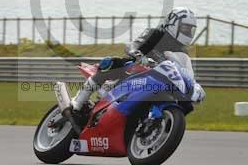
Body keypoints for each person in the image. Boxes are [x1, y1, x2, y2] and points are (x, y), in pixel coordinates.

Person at [70, 7, 206, 111]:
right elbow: (134, 45)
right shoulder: (156, 33)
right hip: (139, 69)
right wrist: (138, 54)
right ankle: (78, 100)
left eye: (190, 30)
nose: (188, 33)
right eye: (185, 28)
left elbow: (186, 72)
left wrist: (194, 86)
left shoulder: (182, 52)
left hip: (159, 81)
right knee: (112, 63)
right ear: (173, 24)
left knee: (187, 104)